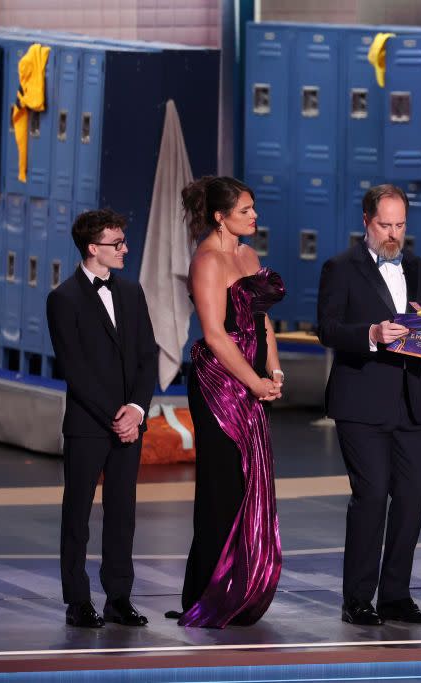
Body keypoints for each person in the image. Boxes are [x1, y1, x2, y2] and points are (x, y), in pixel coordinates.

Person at [317, 184, 421, 626]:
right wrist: (370, 334)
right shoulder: (340, 268)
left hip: (410, 402)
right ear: (366, 221)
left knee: (411, 499)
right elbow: (327, 329)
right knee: (370, 497)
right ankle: (357, 599)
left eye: (401, 225)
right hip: (361, 402)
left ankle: (395, 596)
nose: (393, 233)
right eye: (385, 224)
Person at [174, 176, 285, 628]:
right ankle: (207, 593)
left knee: (249, 485)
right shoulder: (206, 261)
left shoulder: (247, 254)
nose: (254, 216)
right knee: (222, 489)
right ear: (220, 217)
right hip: (219, 385)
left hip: (252, 379)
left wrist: (272, 370)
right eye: (245, 210)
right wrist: (252, 382)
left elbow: (261, 323)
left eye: (253, 208)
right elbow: (216, 335)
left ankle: (242, 588)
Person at [46, 209, 159, 628]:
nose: (126, 249)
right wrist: (116, 415)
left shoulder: (132, 293)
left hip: (130, 421)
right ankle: (77, 600)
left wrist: (137, 410)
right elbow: (75, 370)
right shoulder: (63, 298)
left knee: (122, 512)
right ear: (94, 248)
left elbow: (148, 357)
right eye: (118, 244)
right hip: (88, 425)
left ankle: (119, 597)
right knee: (77, 514)